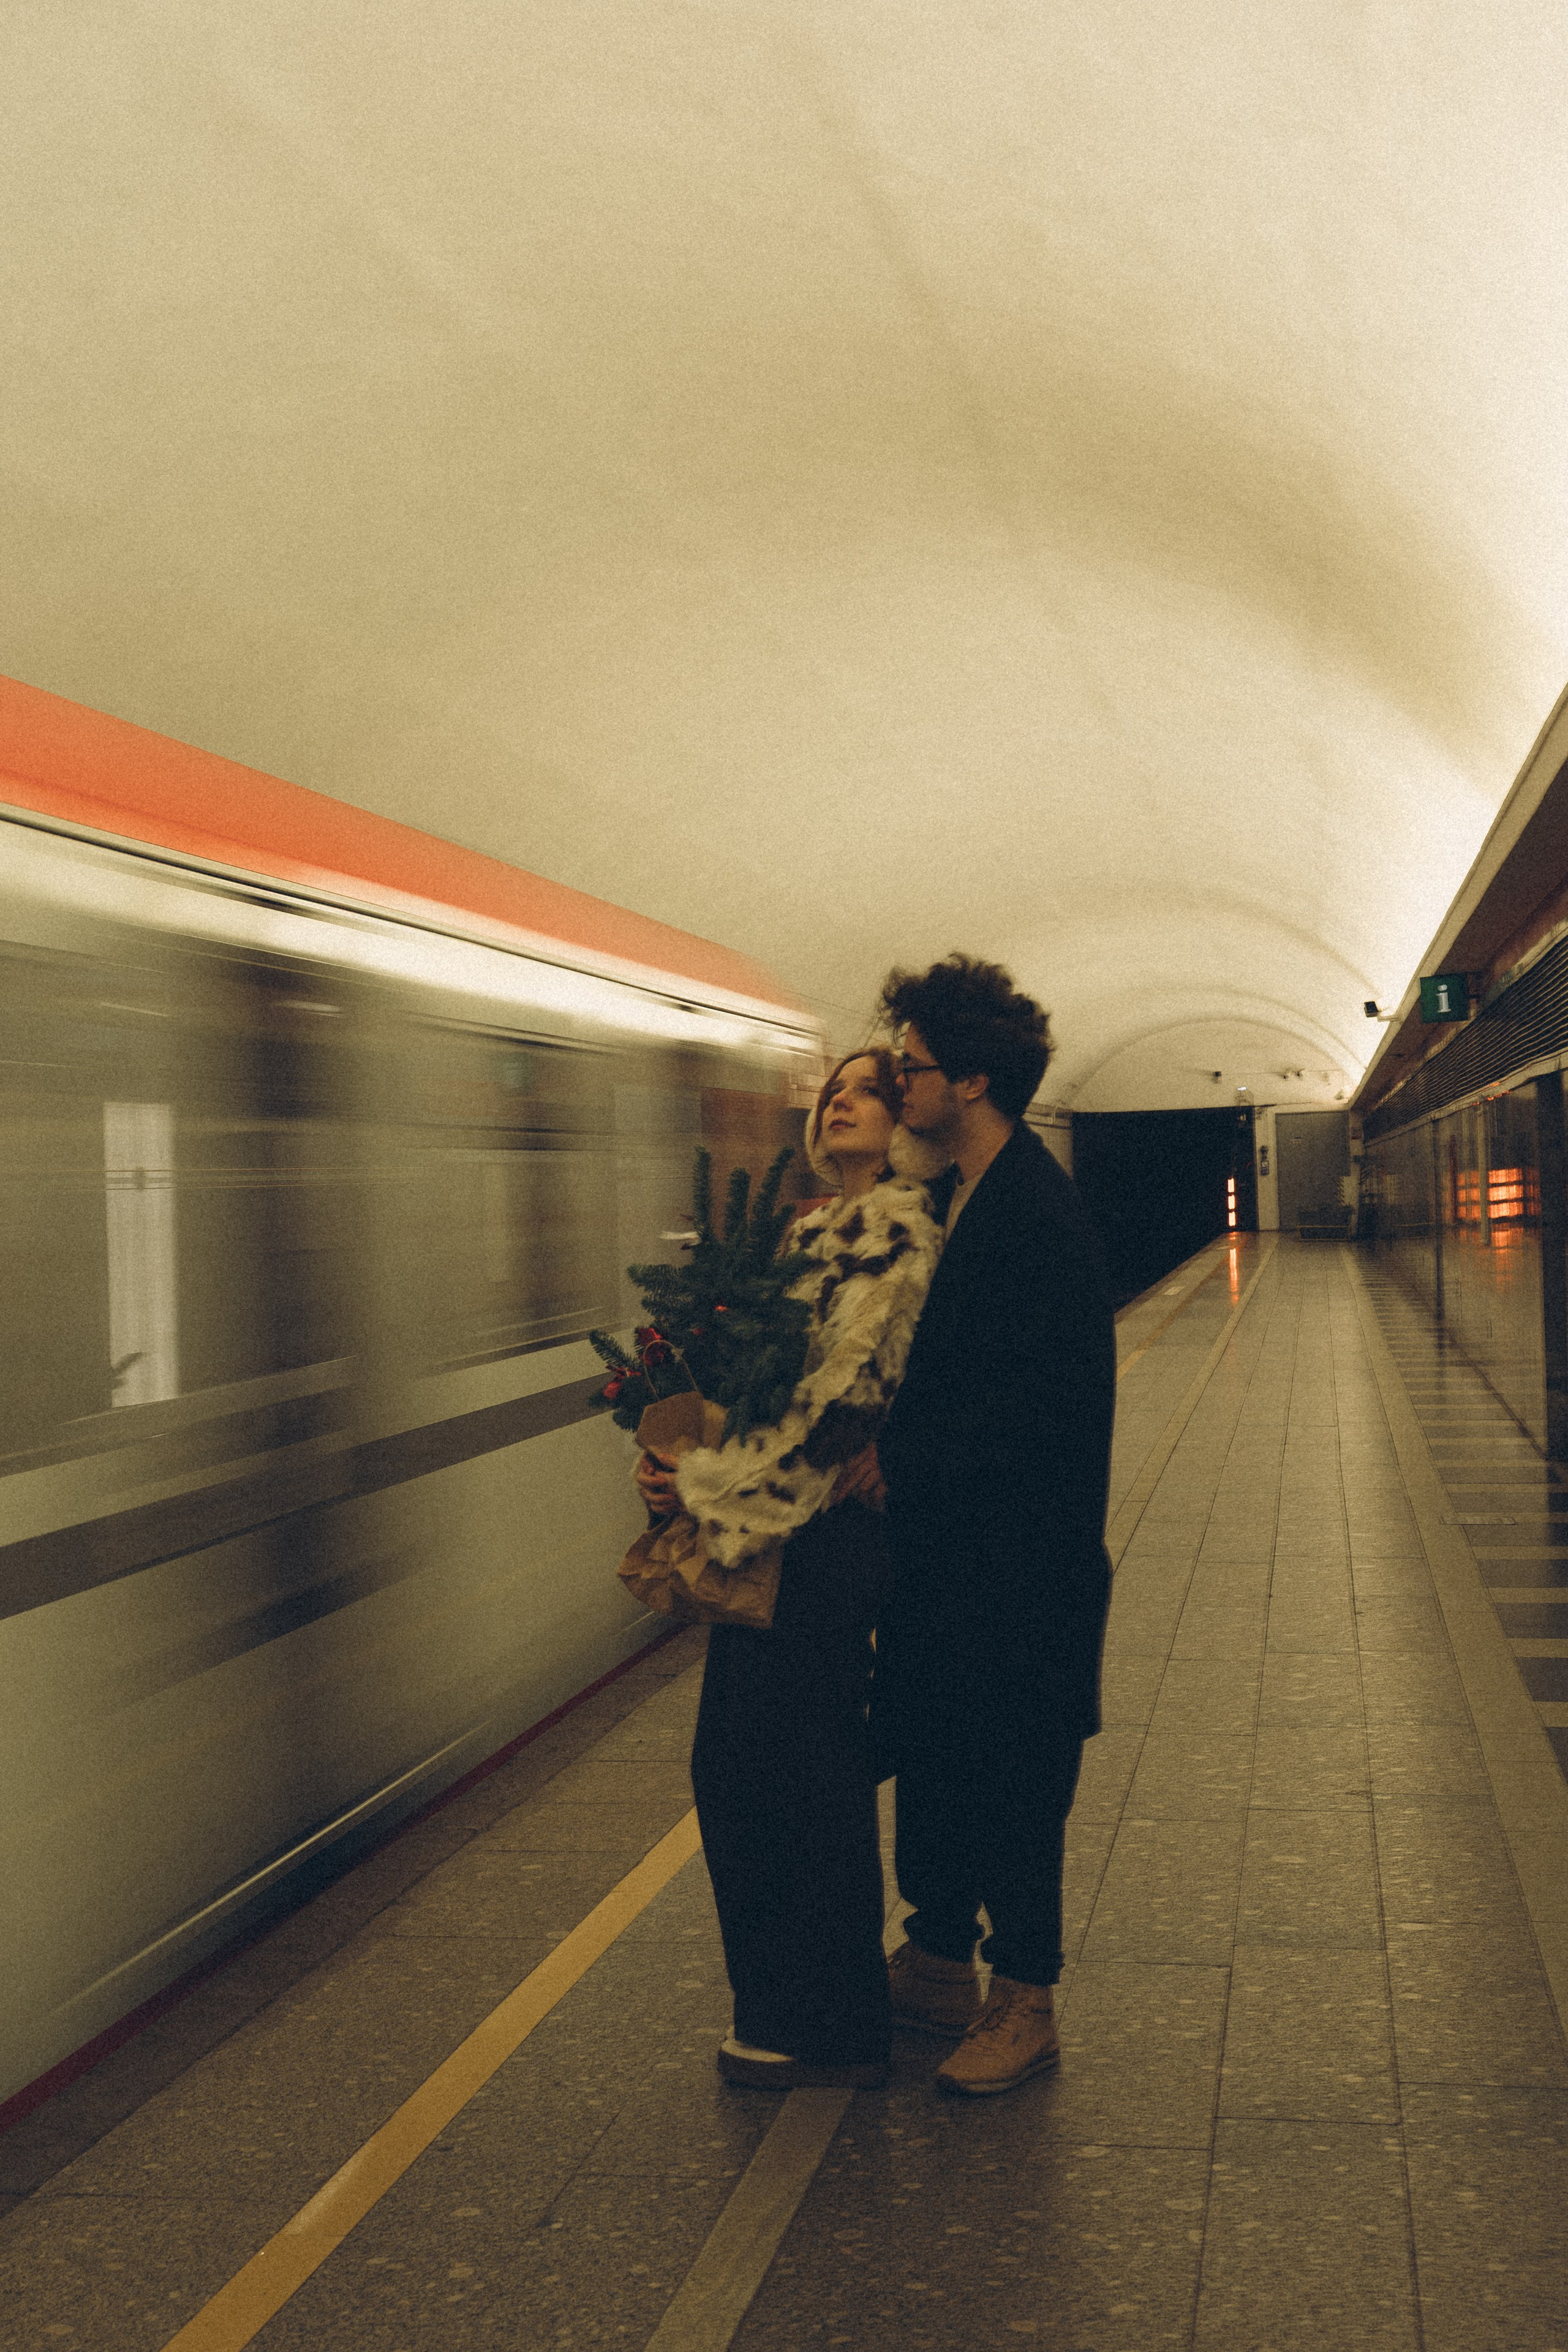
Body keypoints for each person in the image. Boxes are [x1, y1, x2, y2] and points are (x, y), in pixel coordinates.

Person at [635, 1050, 942, 2090]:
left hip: (821, 1540)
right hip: (774, 1529)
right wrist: (679, 1452)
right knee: (760, 1769)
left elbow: (842, 1406)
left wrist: (705, 1489)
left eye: (867, 1087)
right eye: (832, 1089)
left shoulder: (899, 1232)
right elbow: (751, 1386)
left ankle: (823, 2020)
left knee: (788, 1773)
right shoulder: (809, 1234)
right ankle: (799, 2006)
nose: (839, 1098)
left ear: (906, 1118)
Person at [872, 954, 1117, 2096]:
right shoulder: (960, 1196)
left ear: (970, 1081)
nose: (898, 1085)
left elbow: (1033, 1412)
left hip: (1020, 1571)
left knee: (1017, 1784)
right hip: (957, 1564)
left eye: (910, 1068)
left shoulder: (1035, 1216)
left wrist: (894, 1461)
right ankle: (935, 1961)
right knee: (945, 1761)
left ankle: (1028, 2001)